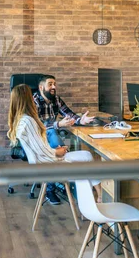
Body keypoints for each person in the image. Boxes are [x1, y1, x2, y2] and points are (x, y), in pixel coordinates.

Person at [9, 84, 102, 204]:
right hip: (48, 166)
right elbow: (43, 152)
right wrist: (58, 152)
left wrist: (80, 121)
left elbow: (40, 148)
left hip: (43, 163)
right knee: (87, 156)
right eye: (30, 96)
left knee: (82, 158)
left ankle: (93, 198)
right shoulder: (28, 121)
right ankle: (97, 199)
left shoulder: (22, 119)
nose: (33, 98)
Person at [33, 75, 98, 204]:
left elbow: (69, 114)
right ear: (41, 87)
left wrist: (80, 120)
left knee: (55, 139)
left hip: (52, 136)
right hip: (38, 138)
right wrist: (58, 124)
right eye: (50, 84)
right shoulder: (34, 101)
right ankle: (51, 189)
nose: (54, 87)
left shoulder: (56, 99)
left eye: (55, 84)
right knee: (53, 136)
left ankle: (58, 179)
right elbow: (36, 125)